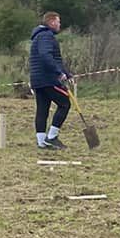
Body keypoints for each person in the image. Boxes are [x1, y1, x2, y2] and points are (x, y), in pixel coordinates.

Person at [28, 10, 73, 151]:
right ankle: (52, 137)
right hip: (48, 79)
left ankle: (42, 142)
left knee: (42, 109)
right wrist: (59, 73)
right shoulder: (46, 36)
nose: (60, 25)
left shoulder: (39, 36)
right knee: (64, 104)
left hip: (38, 80)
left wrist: (67, 73)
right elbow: (46, 56)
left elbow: (54, 59)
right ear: (52, 22)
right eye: (58, 22)